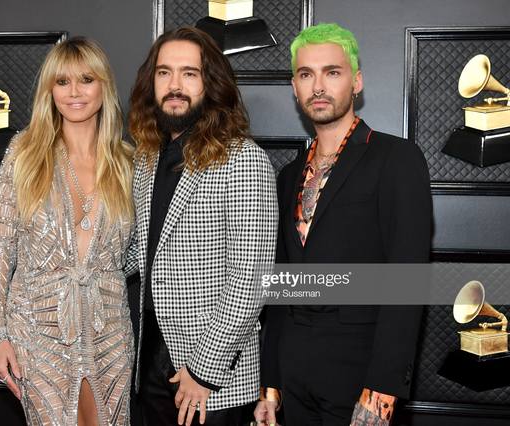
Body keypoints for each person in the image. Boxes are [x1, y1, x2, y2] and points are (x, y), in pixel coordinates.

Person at [254, 23, 432, 426]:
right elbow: (282, 284)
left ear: (357, 82)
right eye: (306, 74)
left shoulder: (396, 159)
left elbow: (408, 280)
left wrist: (381, 393)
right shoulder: (288, 176)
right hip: (295, 374)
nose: (318, 85)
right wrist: (271, 385)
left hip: (360, 374)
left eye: (332, 72)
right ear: (295, 88)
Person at [125, 26, 278, 426]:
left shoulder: (243, 159)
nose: (175, 85)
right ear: (150, 82)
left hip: (213, 381)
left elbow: (251, 277)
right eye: (164, 73)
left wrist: (203, 371)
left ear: (210, 84)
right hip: (150, 368)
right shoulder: (146, 160)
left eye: (189, 73)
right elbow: (137, 253)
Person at [0, 37, 135, 426]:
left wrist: (101, 278)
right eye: (61, 82)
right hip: (38, 330)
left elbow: (139, 252)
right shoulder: (25, 152)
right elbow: (0, 247)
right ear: (50, 90)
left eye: (86, 79)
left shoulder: (128, 162)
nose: (75, 92)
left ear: (104, 86)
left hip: (110, 333)